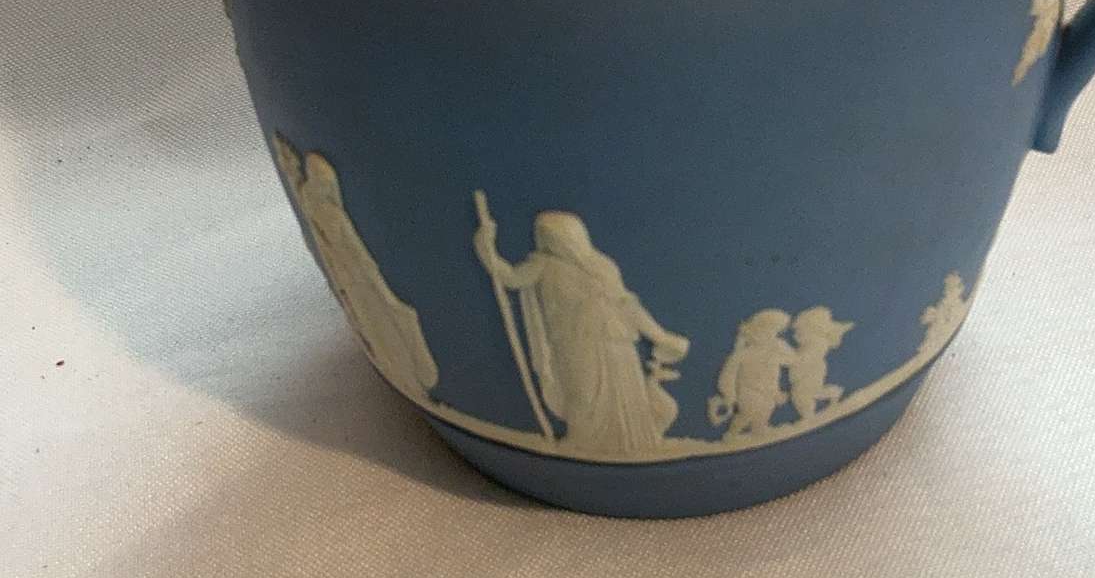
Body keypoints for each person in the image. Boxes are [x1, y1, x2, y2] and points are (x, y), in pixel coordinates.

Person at [473, 210, 690, 456]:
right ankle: (582, 440)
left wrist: (660, 336)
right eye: (544, 235)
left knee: (619, 394)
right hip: (574, 342)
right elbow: (511, 278)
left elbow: (628, 306)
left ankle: (625, 443)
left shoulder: (601, 266)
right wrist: (486, 249)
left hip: (614, 341)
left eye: (552, 236)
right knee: (583, 394)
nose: (547, 240)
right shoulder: (543, 264)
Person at [275, 133, 440, 407]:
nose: (331, 188)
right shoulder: (330, 213)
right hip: (358, 281)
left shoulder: (321, 206)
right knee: (384, 321)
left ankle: (411, 377)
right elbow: (360, 258)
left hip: (355, 280)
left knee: (383, 320)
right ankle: (413, 379)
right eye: (327, 183)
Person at [708, 309, 795, 441]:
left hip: (769, 390)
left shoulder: (775, 352)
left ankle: (759, 430)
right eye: (763, 333)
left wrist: (782, 347)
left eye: (772, 334)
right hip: (749, 390)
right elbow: (729, 374)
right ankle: (732, 433)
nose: (768, 337)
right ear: (751, 334)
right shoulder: (743, 354)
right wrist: (729, 393)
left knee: (765, 411)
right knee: (747, 412)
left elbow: (792, 360)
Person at [787, 307, 854, 419]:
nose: (796, 335)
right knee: (806, 393)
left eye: (800, 331)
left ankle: (809, 415)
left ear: (813, 328)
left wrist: (794, 359)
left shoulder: (819, 343)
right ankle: (810, 414)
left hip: (812, 370)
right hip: (804, 370)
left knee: (805, 393)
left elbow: (807, 357)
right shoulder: (811, 342)